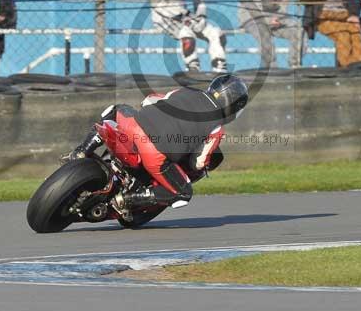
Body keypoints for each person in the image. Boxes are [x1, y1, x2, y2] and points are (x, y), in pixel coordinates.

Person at [63, 74, 249, 209]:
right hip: (154, 155)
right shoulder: (217, 128)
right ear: (235, 107)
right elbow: (199, 162)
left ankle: (81, 151)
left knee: (115, 110)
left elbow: (149, 100)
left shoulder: (186, 90)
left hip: (132, 127)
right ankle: (127, 199)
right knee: (183, 193)